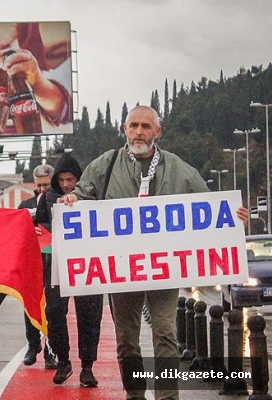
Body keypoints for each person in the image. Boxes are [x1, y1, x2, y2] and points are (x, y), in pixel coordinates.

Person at [58, 105, 248, 400]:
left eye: (146, 126)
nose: (139, 132)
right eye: (133, 125)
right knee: (126, 341)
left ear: (157, 132)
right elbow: (83, 193)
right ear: (124, 129)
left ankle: (167, 397)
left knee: (165, 334)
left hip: (163, 269)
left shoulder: (178, 169)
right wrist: (71, 199)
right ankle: (135, 394)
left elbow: (211, 207)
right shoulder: (105, 164)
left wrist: (233, 218)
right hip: (120, 269)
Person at [40, 152, 103, 387]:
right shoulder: (46, 199)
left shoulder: (93, 197)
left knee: (89, 314)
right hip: (56, 265)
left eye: (71, 179)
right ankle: (62, 360)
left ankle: (87, 367)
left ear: (79, 179)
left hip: (87, 265)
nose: (66, 184)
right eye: (62, 179)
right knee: (54, 312)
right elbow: (40, 225)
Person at [17, 164, 56, 368]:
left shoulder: (58, 202)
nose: (42, 189)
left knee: (52, 308)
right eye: (39, 185)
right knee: (30, 303)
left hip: (52, 263)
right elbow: (15, 229)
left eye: (47, 186)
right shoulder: (26, 204)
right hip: (31, 262)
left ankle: (51, 351)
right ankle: (33, 345)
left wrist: (45, 229)